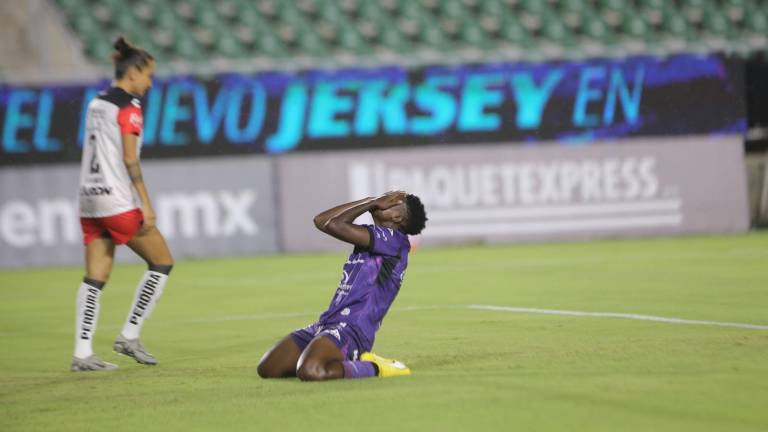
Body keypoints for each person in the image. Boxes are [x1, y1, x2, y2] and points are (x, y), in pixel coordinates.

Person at [71, 36, 173, 372]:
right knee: (162, 262)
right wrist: (145, 203)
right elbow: (130, 159)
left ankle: (83, 353)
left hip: (88, 198)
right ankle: (129, 335)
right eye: (148, 75)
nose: (149, 82)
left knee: (95, 277)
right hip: (116, 200)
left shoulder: (97, 102)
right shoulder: (130, 107)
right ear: (133, 72)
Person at [257, 191, 427, 381]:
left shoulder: (394, 241)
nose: (386, 198)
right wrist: (370, 201)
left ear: (397, 216)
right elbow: (321, 221)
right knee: (268, 368)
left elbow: (334, 224)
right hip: (326, 323)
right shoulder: (374, 237)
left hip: (353, 330)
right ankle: (329, 356)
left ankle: (376, 367)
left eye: (392, 199)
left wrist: (372, 203)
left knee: (311, 370)